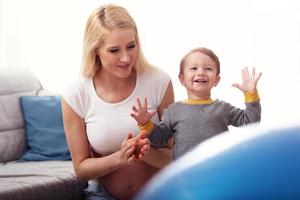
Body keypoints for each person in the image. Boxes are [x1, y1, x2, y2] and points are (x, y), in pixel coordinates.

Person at [61, 4, 174, 200]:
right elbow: (81, 169)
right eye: (114, 50)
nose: (126, 57)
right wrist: (120, 158)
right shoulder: (76, 93)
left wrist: (146, 154)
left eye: (131, 46)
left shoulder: (159, 82)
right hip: (103, 196)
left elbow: (173, 156)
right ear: (95, 50)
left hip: (160, 194)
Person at [131, 47, 262, 160]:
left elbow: (250, 122)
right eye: (193, 68)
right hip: (186, 176)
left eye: (208, 68)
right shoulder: (173, 111)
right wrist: (146, 124)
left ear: (216, 80)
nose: (200, 72)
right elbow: (160, 140)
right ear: (182, 79)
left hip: (219, 170)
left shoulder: (223, 108)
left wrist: (251, 95)